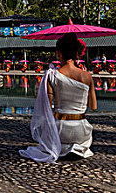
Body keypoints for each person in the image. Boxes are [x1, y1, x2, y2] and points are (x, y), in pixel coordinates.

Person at [20, 32, 97, 163]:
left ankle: (60, 147)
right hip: (81, 132)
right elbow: (93, 107)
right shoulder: (87, 76)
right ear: (77, 54)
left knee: (48, 127)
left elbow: (47, 108)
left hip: (59, 131)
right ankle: (76, 148)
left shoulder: (52, 75)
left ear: (59, 53)